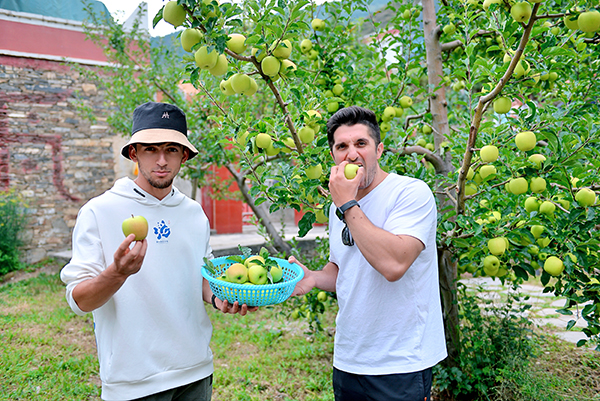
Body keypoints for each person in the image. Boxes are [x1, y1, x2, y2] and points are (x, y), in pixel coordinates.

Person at [61, 101, 255, 401]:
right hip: (133, 382)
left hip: (196, 371)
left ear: (184, 156)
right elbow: (80, 300)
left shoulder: (194, 213)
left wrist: (221, 298)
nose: (161, 160)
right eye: (151, 149)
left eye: (172, 149)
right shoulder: (99, 211)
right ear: (135, 153)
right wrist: (117, 273)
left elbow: (201, 277)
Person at [290, 106, 447, 401]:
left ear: (379, 150)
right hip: (349, 360)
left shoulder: (411, 193)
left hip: (401, 364)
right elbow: (343, 269)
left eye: (361, 144)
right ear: (333, 155)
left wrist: (348, 205)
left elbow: (394, 264)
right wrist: (312, 278)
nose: (351, 154)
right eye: (342, 146)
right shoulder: (339, 207)